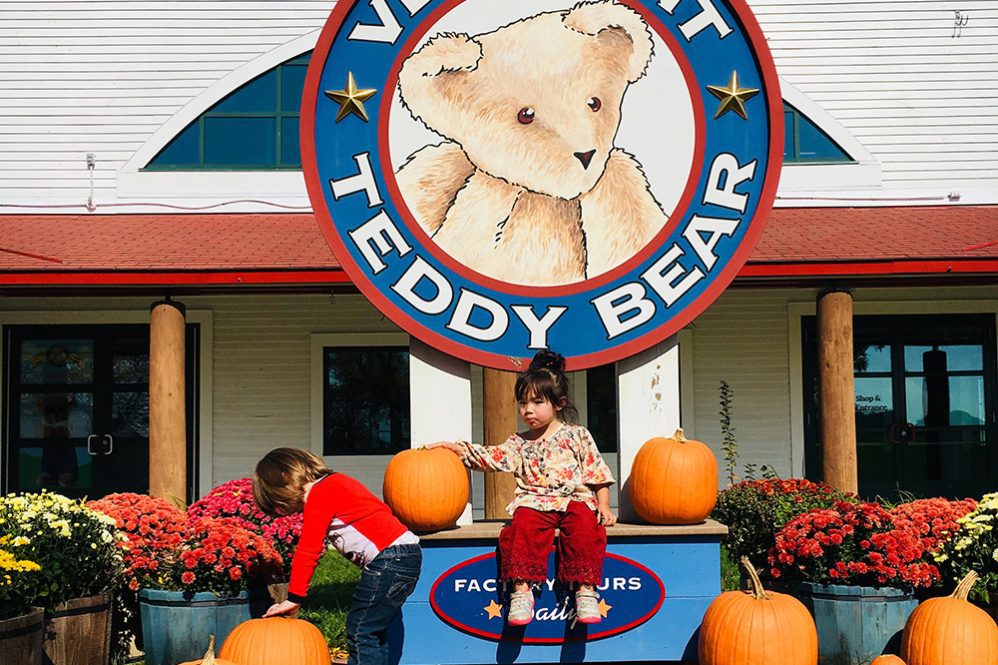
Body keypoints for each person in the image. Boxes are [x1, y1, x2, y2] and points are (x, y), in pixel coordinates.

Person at [430, 349, 616, 626]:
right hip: (535, 501)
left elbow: (596, 471)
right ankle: (521, 590)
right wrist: (459, 449)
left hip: (573, 499)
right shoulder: (518, 442)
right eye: (523, 403)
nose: (528, 410)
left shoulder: (577, 434)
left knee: (585, 527)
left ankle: (585, 589)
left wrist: (603, 504)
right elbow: (492, 457)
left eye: (537, 402)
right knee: (521, 526)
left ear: (559, 403)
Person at [252, 448, 421, 665]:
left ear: (286, 477)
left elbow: (308, 549)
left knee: (360, 629)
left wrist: (294, 598)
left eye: (279, 499)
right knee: (374, 630)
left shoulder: (322, 492)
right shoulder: (337, 483)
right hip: (405, 557)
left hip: (391, 558)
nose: (288, 508)